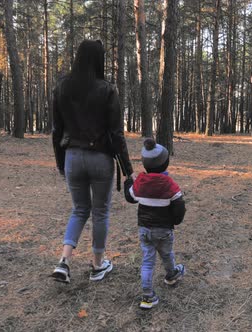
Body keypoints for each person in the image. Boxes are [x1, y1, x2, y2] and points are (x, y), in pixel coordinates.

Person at [51, 40, 133, 283]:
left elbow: (57, 131)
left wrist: (60, 162)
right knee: (99, 212)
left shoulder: (62, 87)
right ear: (99, 60)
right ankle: (98, 266)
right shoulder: (107, 89)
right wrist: (128, 170)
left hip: (72, 158)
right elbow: (116, 134)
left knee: (79, 210)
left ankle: (64, 261)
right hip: (100, 159)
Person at [124, 138, 186, 309]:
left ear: (145, 164)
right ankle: (171, 275)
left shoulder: (140, 183)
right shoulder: (169, 184)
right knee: (167, 254)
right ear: (165, 163)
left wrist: (129, 181)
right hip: (164, 230)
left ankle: (147, 296)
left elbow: (130, 197)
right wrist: (175, 220)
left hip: (145, 230)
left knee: (148, 261)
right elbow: (179, 205)